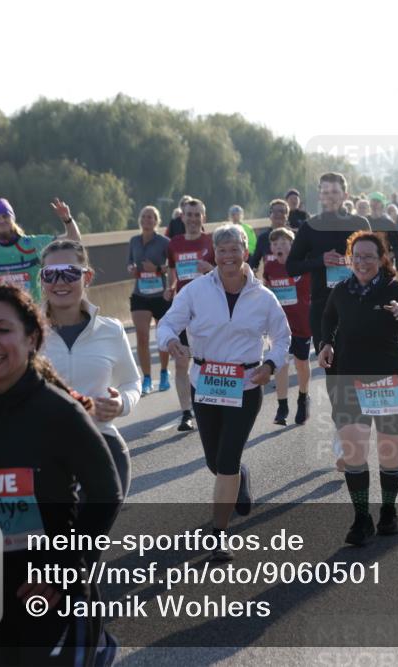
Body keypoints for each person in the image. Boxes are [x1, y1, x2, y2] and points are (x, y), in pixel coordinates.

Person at [0, 284, 122, 665]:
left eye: (3, 330)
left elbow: (106, 493)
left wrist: (62, 571)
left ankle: (95, 643)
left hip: (47, 592)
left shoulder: (59, 412)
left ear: (31, 339)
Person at [157, 224, 290, 561]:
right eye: (222, 250)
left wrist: (270, 366)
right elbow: (168, 323)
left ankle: (219, 534)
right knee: (215, 462)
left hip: (245, 385)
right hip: (206, 384)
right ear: (213, 255)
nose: (228, 256)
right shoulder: (196, 290)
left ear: (245, 253)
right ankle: (239, 476)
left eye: (234, 249)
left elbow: (282, 337)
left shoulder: (263, 296)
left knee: (227, 459)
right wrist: (171, 340)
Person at [318, 232, 398, 545]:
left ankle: (388, 510)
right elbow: (328, 318)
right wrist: (326, 343)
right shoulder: (342, 290)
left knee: (389, 454)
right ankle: (361, 518)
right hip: (348, 380)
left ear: (383, 259)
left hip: (389, 381)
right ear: (349, 258)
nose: (362, 262)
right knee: (354, 453)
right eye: (357, 256)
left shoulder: (394, 289)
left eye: (369, 256)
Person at [41, 239, 142, 496]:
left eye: (70, 272)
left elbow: (132, 382)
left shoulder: (110, 330)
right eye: (50, 274)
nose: (60, 281)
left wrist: (122, 404)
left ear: (87, 276)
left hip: (102, 445)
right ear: (41, 279)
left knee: (92, 532)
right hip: (43, 455)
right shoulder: (23, 332)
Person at [286, 172, 371, 471]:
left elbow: (376, 262)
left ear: (345, 195)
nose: (331, 196)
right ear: (320, 195)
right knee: (335, 380)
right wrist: (319, 260)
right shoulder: (310, 228)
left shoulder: (359, 225)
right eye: (325, 191)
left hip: (358, 308)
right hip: (324, 310)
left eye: (336, 191)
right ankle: (345, 442)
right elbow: (291, 264)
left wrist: (354, 263)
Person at [166, 198, 216, 431]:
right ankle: (186, 413)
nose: (193, 219)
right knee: (181, 362)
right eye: (189, 214)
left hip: (208, 310)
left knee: (209, 361)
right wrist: (170, 286)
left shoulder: (212, 242)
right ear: (182, 217)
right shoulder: (174, 243)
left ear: (203, 218)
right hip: (183, 310)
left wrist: (212, 270)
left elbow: (229, 273)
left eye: (198, 215)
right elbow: (172, 272)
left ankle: (209, 403)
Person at [262, 227, 311, 425]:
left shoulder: (302, 265)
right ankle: (282, 407)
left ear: (292, 246)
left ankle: (303, 397)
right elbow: (266, 289)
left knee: (301, 363)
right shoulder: (270, 267)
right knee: (280, 363)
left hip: (302, 323)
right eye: (275, 244)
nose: (279, 247)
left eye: (283, 243)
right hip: (279, 325)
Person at [126, 205, 173, 395]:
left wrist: (156, 268)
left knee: (162, 337)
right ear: (140, 219)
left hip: (160, 295)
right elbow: (130, 261)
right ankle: (146, 378)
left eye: (151, 217)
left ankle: (163, 373)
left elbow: (171, 266)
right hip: (140, 295)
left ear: (157, 221)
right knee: (142, 337)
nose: (147, 220)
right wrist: (131, 268)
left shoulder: (164, 242)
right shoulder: (134, 241)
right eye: (144, 216)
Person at [249, 199, 290, 271]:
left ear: (287, 216)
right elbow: (254, 263)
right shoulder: (263, 238)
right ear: (270, 215)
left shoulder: (295, 236)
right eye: (275, 211)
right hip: (270, 281)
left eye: (282, 211)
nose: (279, 214)